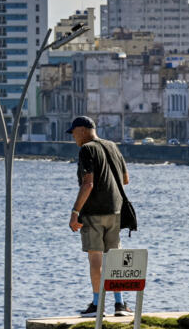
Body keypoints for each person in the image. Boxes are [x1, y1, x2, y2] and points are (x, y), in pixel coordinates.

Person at [67, 116, 133, 317]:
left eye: (74, 133)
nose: (74, 138)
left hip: (94, 212)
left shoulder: (87, 149)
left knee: (95, 257)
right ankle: (120, 304)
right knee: (114, 258)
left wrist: (75, 212)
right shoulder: (112, 146)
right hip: (115, 211)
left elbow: (88, 184)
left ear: (83, 130)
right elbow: (125, 179)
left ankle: (97, 305)